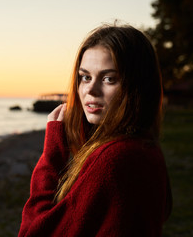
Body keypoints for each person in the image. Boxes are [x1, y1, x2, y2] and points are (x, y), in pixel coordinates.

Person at [18, 23, 172, 237]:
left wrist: (52, 154)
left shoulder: (113, 158)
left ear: (137, 86)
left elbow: (33, 232)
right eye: (85, 77)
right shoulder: (145, 147)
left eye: (109, 78)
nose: (90, 90)